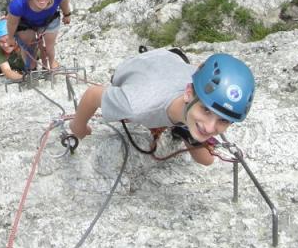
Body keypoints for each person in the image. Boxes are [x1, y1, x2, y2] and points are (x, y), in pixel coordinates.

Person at [69, 49, 255, 166]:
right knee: (203, 151)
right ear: (188, 92)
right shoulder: (137, 106)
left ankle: (184, 124)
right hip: (135, 68)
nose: (209, 127)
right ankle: (183, 126)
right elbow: (93, 94)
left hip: (172, 61)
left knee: (206, 160)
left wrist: (199, 123)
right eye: (206, 110)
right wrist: (78, 128)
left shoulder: (198, 86)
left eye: (223, 120)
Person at [3, 0, 71, 71]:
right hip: (26, 23)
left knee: (49, 47)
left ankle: (51, 64)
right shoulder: (18, 3)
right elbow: (12, 23)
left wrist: (67, 14)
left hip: (49, 19)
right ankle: (31, 69)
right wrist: (11, 38)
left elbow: (64, 1)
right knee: (29, 49)